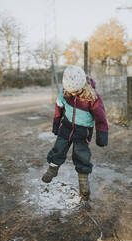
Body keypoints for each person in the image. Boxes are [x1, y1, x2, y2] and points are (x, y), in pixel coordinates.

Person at [41, 65, 108, 202]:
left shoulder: (92, 97)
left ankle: (83, 179)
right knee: (58, 149)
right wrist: (56, 124)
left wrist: (102, 134)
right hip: (65, 128)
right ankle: (53, 169)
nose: (72, 94)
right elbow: (59, 108)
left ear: (82, 85)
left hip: (83, 132)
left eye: (75, 91)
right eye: (69, 91)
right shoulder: (64, 92)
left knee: (82, 155)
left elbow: (101, 117)